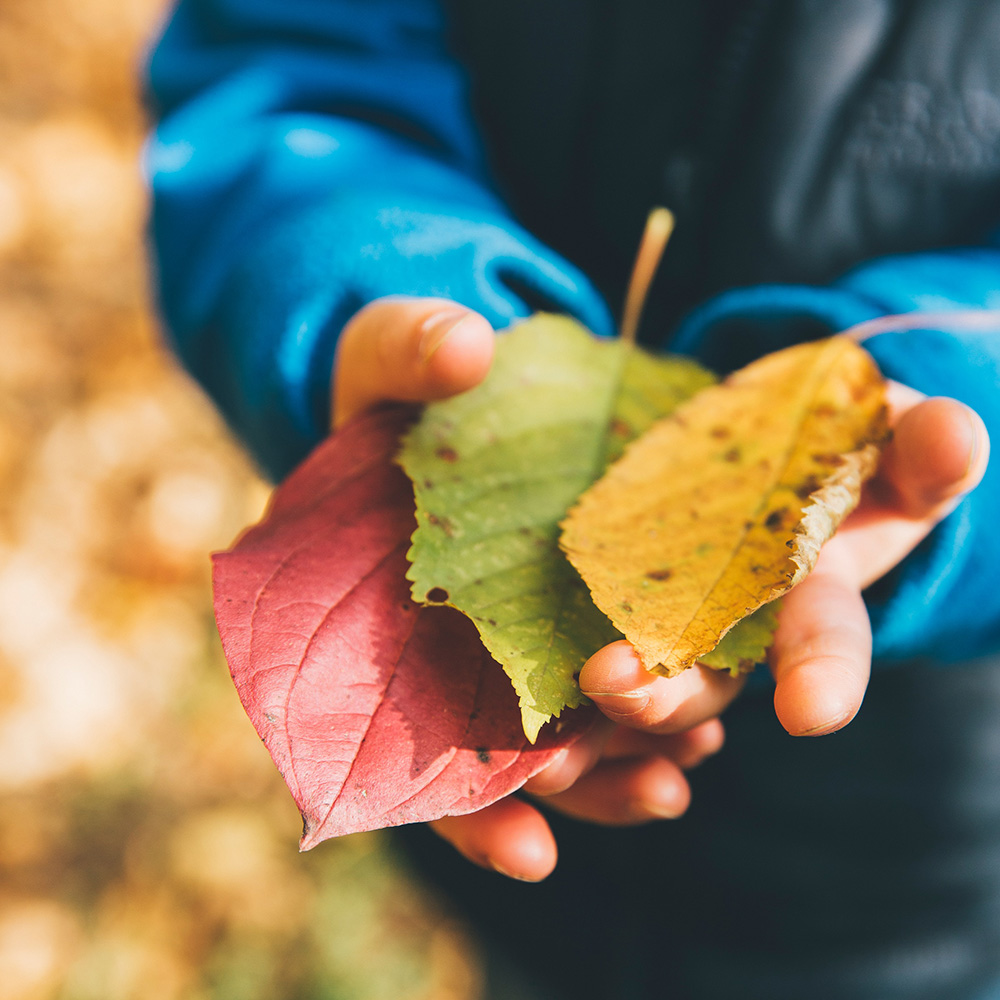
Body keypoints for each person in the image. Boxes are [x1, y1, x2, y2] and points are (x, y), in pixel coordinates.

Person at [146, 1, 1000, 997]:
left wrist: (940, 393)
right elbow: (286, 68)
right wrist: (366, 282)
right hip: (537, 883)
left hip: (922, 868)